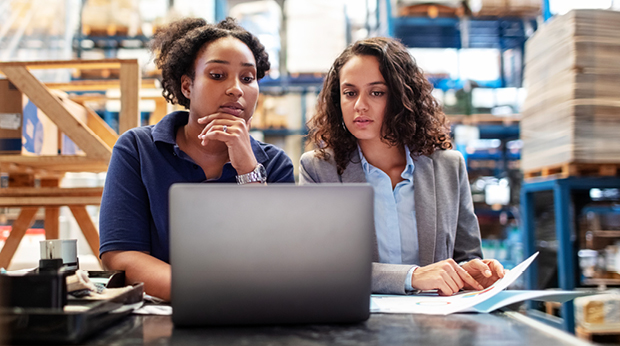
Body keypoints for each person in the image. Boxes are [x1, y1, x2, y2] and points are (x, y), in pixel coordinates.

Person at [99, 17, 295, 301]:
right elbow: (121, 254)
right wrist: (204, 294)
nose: (236, 89)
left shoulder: (274, 164)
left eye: (248, 78)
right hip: (166, 316)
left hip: (250, 316)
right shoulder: (137, 150)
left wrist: (248, 169)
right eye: (217, 75)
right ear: (187, 86)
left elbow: (279, 259)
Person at [299, 37, 504, 295]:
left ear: (401, 97)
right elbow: (322, 267)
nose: (360, 104)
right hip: (357, 324)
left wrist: (474, 273)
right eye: (350, 93)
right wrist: (412, 277)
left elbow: (466, 255)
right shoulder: (318, 170)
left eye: (376, 92)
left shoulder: (448, 167)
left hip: (437, 326)